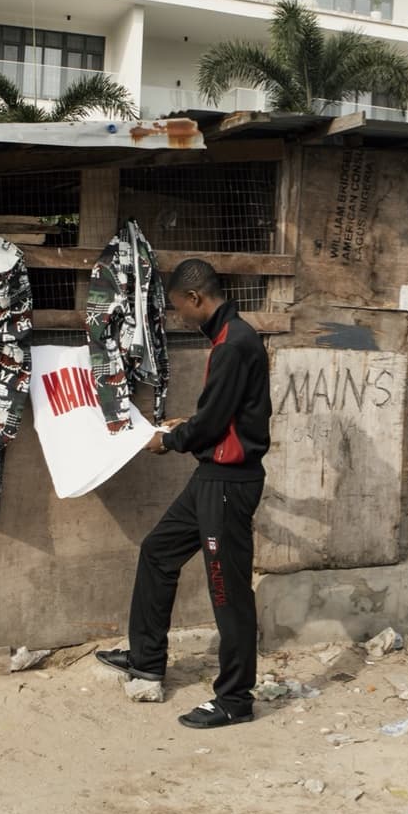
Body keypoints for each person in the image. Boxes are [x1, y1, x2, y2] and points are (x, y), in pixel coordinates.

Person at [96, 258, 271, 730]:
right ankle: (146, 659)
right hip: (211, 477)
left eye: (178, 308)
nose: (179, 317)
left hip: (228, 485)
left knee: (226, 590)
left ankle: (235, 698)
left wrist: (169, 440)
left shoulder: (233, 344)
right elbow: (222, 416)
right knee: (158, 550)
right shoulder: (229, 338)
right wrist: (188, 427)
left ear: (195, 298)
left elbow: (215, 422)